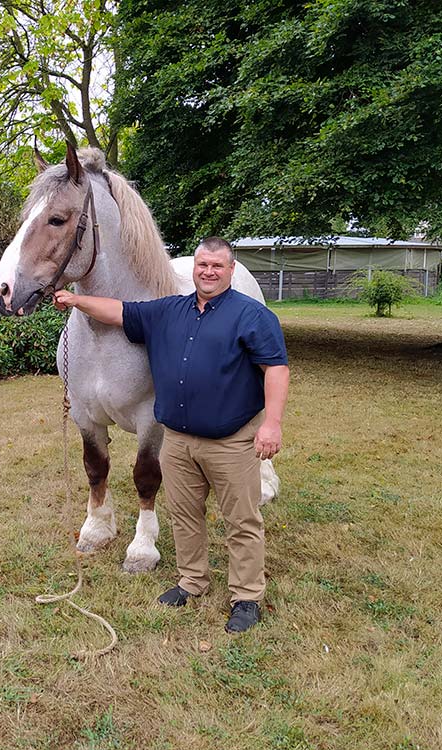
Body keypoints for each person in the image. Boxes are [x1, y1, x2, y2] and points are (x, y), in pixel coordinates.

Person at [53, 237, 289, 633]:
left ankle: (246, 596)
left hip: (229, 440)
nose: (208, 272)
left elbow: (277, 370)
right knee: (184, 514)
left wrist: (272, 423)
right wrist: (77, 301)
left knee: (241, 519)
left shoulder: (252, 315)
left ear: (231, 270)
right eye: (202, 266)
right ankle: (191, 580)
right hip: (177, 439)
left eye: (217, 266)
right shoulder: (170, 310)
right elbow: (119, 310)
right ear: (193, 269)